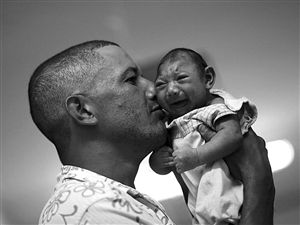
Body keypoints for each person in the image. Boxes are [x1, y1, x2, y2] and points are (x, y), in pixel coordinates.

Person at [28, 40, 274, 225]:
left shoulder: (108, 203)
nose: (153, 90)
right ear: (83, 110)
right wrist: (257, 182)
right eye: (131, 79)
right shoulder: (93, 210)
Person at [149, 48, 258, 225]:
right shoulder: (170, 125)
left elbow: (232, 135)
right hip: (201, 209)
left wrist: (197, 156)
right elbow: (162, 169)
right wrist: (158, 161)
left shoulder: (214, 108)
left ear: (207, 79)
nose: (171, 90)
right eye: (161, 85)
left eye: (181, 78)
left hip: (229, 201)